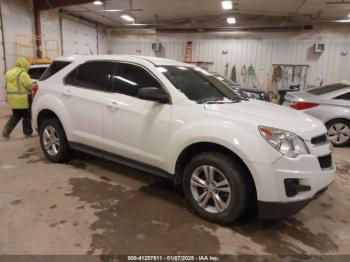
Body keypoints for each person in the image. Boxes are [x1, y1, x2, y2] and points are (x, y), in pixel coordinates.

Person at [2, 57, 33, 138]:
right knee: (27, 116)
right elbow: (29, 86)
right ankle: (28, 133)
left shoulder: (9, 73)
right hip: (23, 100)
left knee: (16, 115)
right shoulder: (23, 74)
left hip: (12, 100)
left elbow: (6, 86)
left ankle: (6, 130)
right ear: (24, 63)